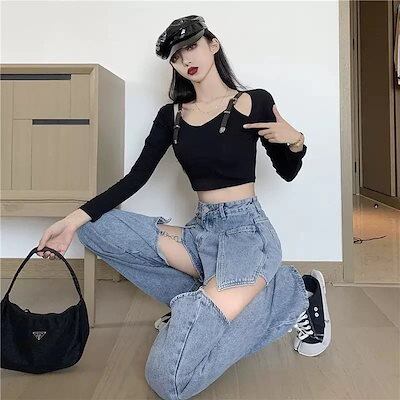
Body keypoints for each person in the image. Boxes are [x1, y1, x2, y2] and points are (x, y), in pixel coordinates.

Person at [36, 15, 331, 400]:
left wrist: (296, 140)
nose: (186, 59)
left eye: (192, 46)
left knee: (169, 381)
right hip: (202, 233)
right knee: (93, 227)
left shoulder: (253, 101)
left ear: (213, 44)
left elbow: (287, 172)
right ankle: (216, 296)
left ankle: (295, 292)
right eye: (176, 56)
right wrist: (71, 220)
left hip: (246, 235)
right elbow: (135, 178)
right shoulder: (171, 116)